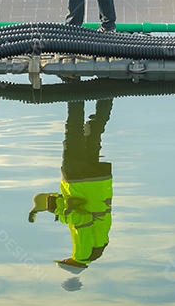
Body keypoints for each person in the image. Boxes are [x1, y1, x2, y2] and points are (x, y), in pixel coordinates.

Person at [28, 99, 113, 274]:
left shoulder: (101, 244)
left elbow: (87, 209)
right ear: (72, 263)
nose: (66, 258)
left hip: (98, 183)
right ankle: (74, 87)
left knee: (94, 131)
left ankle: (106, 93)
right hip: (79, 180)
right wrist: (59, 213)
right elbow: (82, 219)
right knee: (74, 132)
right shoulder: (81, 254)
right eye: (66, 260)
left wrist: (57, 204)